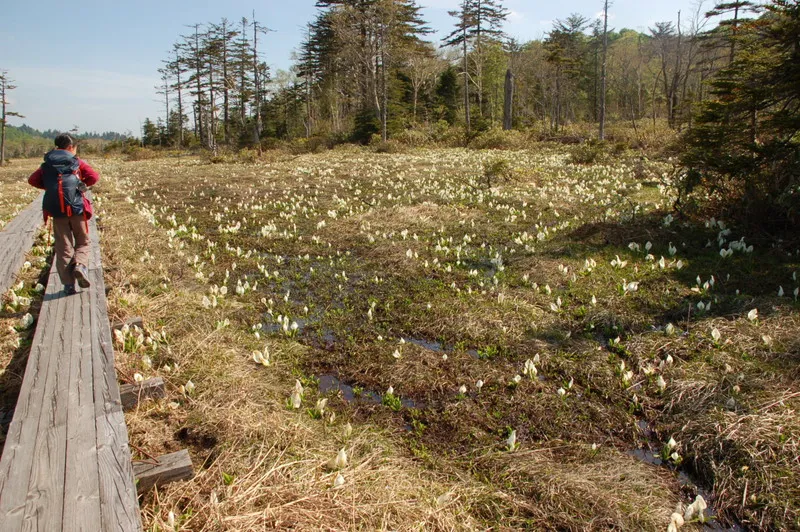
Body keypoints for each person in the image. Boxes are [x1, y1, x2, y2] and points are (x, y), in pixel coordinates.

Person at [28, 133, 99, 295]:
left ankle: (68, 285)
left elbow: (32, 180)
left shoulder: (48, 163)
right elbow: (94, 177)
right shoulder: (76, 161)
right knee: (83, 241)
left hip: (57, 211)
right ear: (70, 147)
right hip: (76, 208)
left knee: (63, 247)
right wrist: (80, 185)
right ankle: (80, 265)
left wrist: (49, 186)